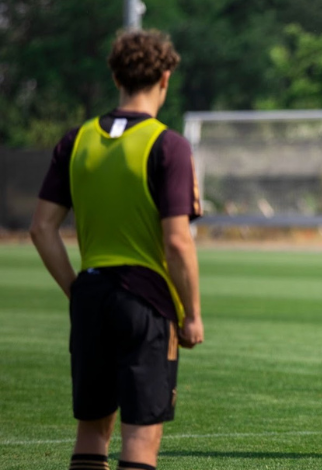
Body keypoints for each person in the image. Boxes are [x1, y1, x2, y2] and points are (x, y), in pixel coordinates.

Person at [29, 29, 203, 470]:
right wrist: (192, 314)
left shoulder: (75, 140)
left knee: (91, 432)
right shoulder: (168, 145)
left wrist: (77, 290)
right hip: (146, 301)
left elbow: (42, 229)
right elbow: (177, 240)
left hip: (91, 295)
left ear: (115, 77)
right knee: (140, 440)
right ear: (165, 78)